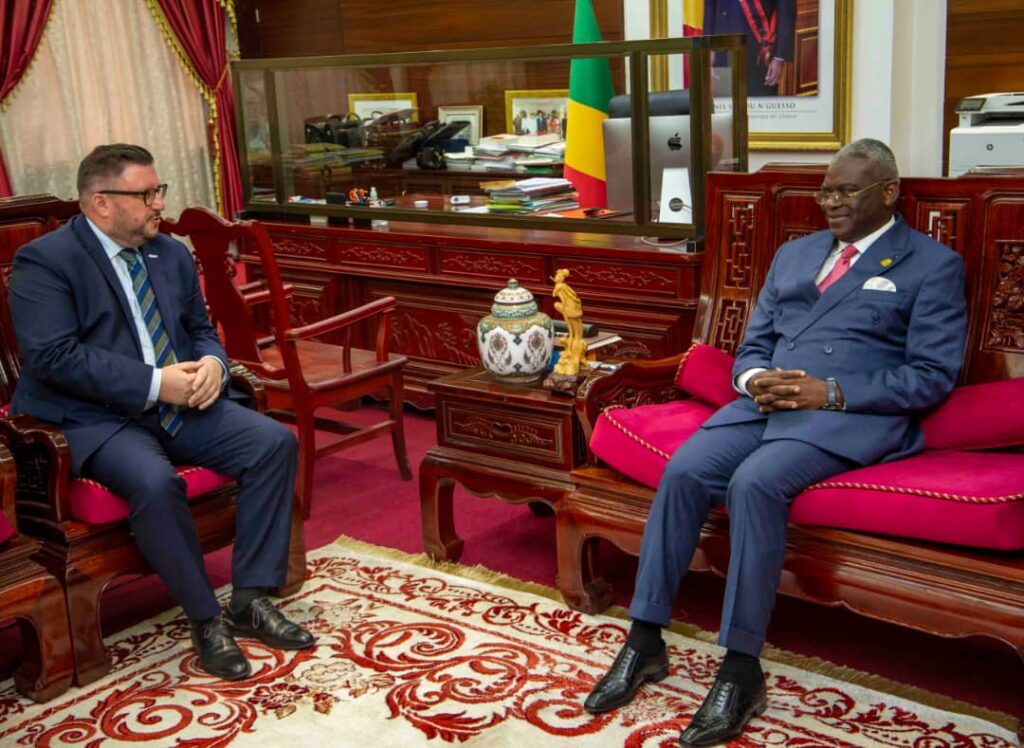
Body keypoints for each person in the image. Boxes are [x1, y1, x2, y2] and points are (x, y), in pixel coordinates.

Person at [583, 139, 967, 746]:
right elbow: (753, 346)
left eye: (847, 191)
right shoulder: (795, 254)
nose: (831, 202)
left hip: (845, 416)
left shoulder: (929, 264)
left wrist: (829, 392)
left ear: (888, 192)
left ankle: (740, 670)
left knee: (755, 483)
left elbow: (931, 377)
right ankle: (645, 639)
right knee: (685, 471)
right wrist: (755, 379)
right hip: (762, 405)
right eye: (826, 190)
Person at [8, 144, 315, 682]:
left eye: (159, 191)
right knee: (154, 482)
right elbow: (53, 357)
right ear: (101, 203)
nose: (158, 204)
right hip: (93, 416)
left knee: (273, 442)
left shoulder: (168, 253)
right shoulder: (47, 261)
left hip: (181, 400)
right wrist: (155, 384)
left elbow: (200, 329)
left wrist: (216, 366)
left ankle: (248, 598)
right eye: (146, 194)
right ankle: (204, 618)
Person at [704, 0, 796, 96]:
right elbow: (710, 5)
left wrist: (779, 56)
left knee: (760, 105)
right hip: (722, 47)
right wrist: (709, 46)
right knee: (725, 105)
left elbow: (787, 10)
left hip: (758, 51)